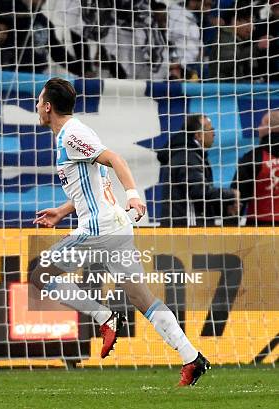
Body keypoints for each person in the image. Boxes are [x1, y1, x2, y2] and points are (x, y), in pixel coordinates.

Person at [30, 78, 209, 386]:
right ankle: (192, 357)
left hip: (99, 228)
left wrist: (134, 194)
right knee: (143, 298)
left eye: (38, 101)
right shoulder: (74, 133)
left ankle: (105, 317)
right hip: (116, 226)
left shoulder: (72, 134)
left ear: (47, 107)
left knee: (40, 276)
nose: (36, 106)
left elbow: (115, 159)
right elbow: (95, 185)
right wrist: (63, 211)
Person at [157, 114, 239, 226]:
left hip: (185, 226)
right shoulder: (187, 157)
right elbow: (199, 191)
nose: (214, 133)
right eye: (211, 129)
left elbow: (198, 199)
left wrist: (225, 207)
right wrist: (231, 194)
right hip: (189, 229)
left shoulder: (190, 155)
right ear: (199, 135)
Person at [231, 110, 279, 226]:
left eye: (262, 124)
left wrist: (231, 227)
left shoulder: (252, 158)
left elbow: (237, 198)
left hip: (259, 227)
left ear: (269, 129)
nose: (258, 128)